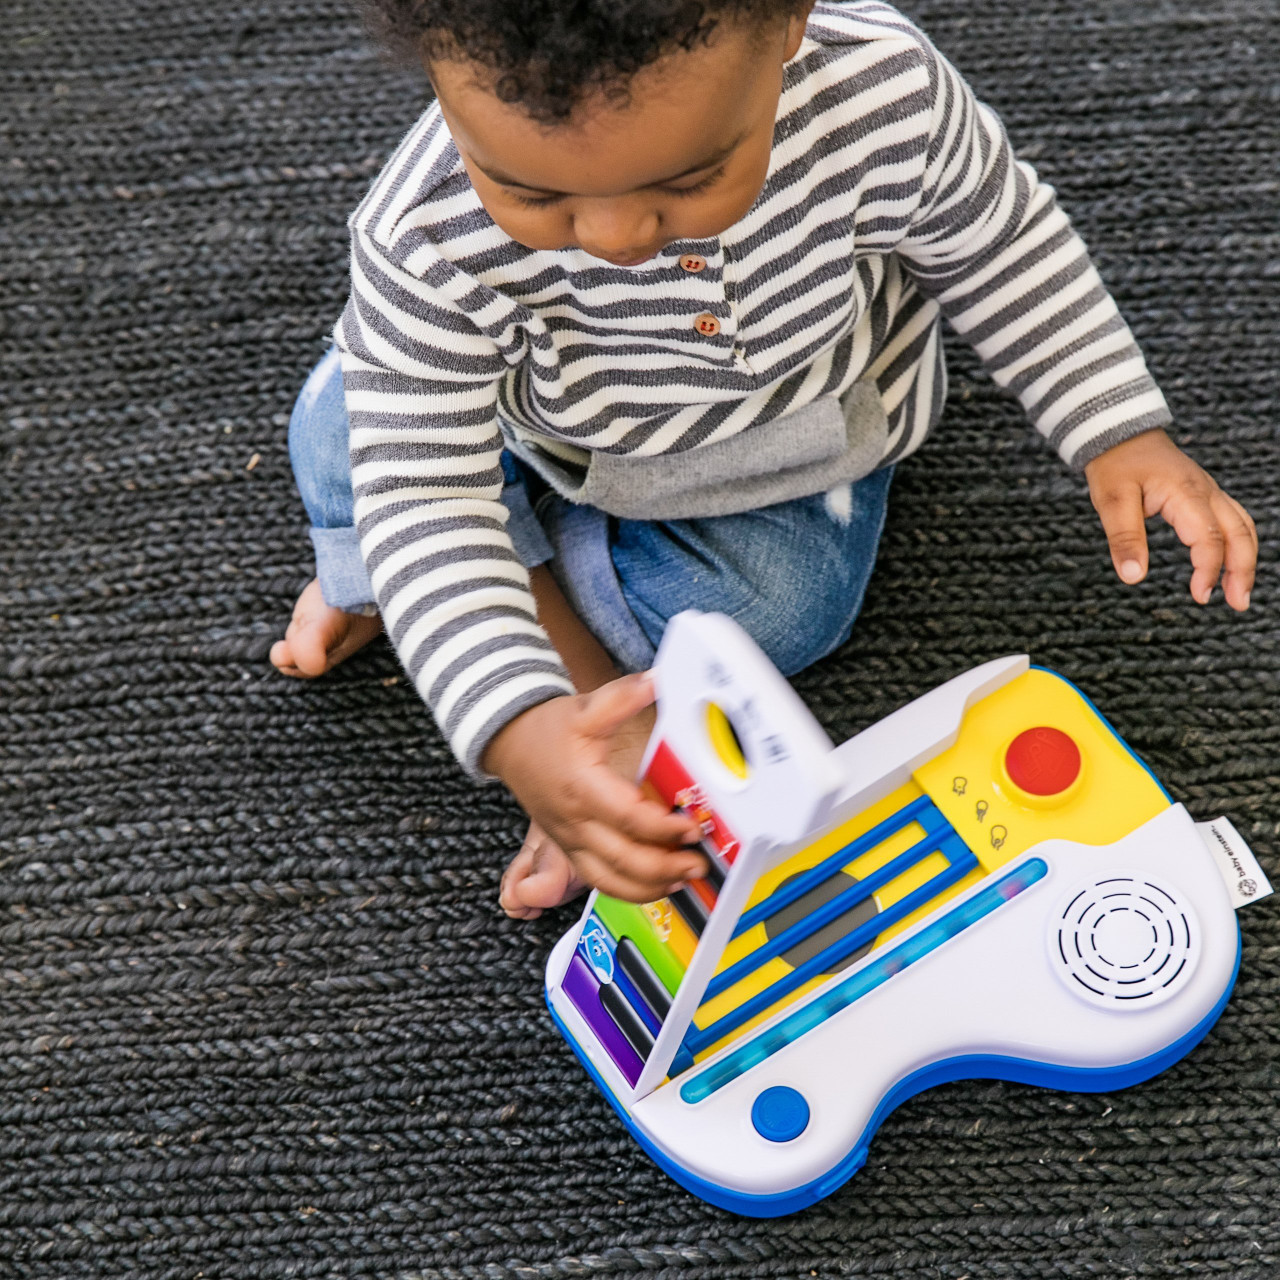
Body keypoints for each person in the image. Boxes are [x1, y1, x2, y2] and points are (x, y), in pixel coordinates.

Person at [271, 0, 1257, 920]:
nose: (614, 237)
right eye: (527, 189)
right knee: (366, 429)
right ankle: (548, 672)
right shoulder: (421, 232)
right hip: (540, 425)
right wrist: (514, 719)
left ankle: (415, 583)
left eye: (688, 177)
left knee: (779, 613)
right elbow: (426, 485)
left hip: (786, 449)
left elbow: (1002, 247)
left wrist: (1115, 427)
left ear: (787, 21)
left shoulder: (881, 90)